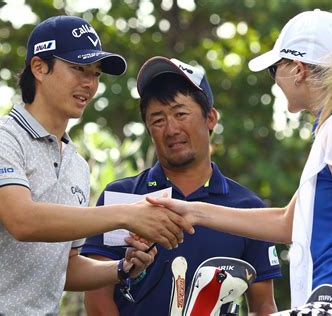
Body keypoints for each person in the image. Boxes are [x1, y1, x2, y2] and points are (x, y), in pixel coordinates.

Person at [147, 10, 332, 316]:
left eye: (275, 70)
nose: (275, 82)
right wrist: (192, 211)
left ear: (297, 70)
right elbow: (288, 223)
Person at [0, 16, 193, 315]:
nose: (89, 83)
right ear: (39, 68)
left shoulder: (77, 165)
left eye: (96, 73)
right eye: (78, 68)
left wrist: (122, 268)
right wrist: (128, 215)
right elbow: (23, 221)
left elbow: (68, 267)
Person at [81, 56, 282, 315]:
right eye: (158, 119)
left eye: (180, 113)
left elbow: (264, 305)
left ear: (210, 118)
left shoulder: (249, 209)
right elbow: (96, 299)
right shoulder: (121, 196)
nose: (171, 128)